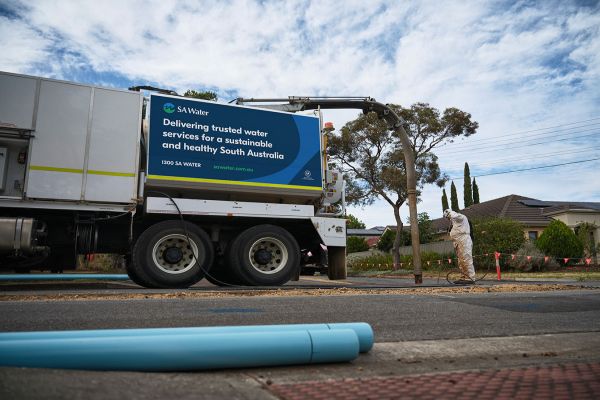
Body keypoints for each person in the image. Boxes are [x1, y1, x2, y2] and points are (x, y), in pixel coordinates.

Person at [444, 209, 476, 284]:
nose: (448, 219)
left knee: (466, 259)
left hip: (464, 240)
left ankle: (470, 278)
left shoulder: (461, 217)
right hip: (458, 242)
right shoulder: (454, 222)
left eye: (448, 218)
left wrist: (450, 213)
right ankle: (464, 277)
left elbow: (456, 216)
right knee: (461, 261)